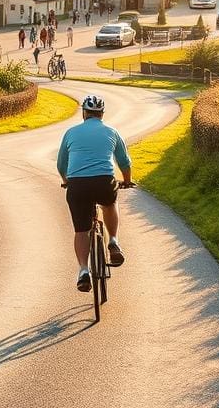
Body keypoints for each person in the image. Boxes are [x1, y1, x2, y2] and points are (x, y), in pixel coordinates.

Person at [57, 95, 133, 292]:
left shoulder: (71, 132)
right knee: (110, 203)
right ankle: (114, 241)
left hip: (78, 185)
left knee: (81, 230)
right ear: (102, 114)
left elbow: (61, 164)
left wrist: (66, 182)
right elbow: (124, 162)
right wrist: (126, 180)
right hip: (103, 182)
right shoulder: (112, 132)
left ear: (84, 112)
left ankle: (83, 271)